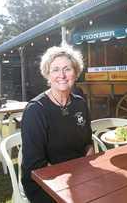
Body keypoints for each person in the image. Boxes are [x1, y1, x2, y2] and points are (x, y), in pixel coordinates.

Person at [21, 44, 94, 203]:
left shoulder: (80, 104)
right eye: (55, 70)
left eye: (67, 69)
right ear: (47, 75)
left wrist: (88, 163)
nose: (62, 75)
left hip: (79, 176)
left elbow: (88, 143)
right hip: (44, 182)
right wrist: (69, 184)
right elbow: (35, 165)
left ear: (76, 73)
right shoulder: (36, 110)